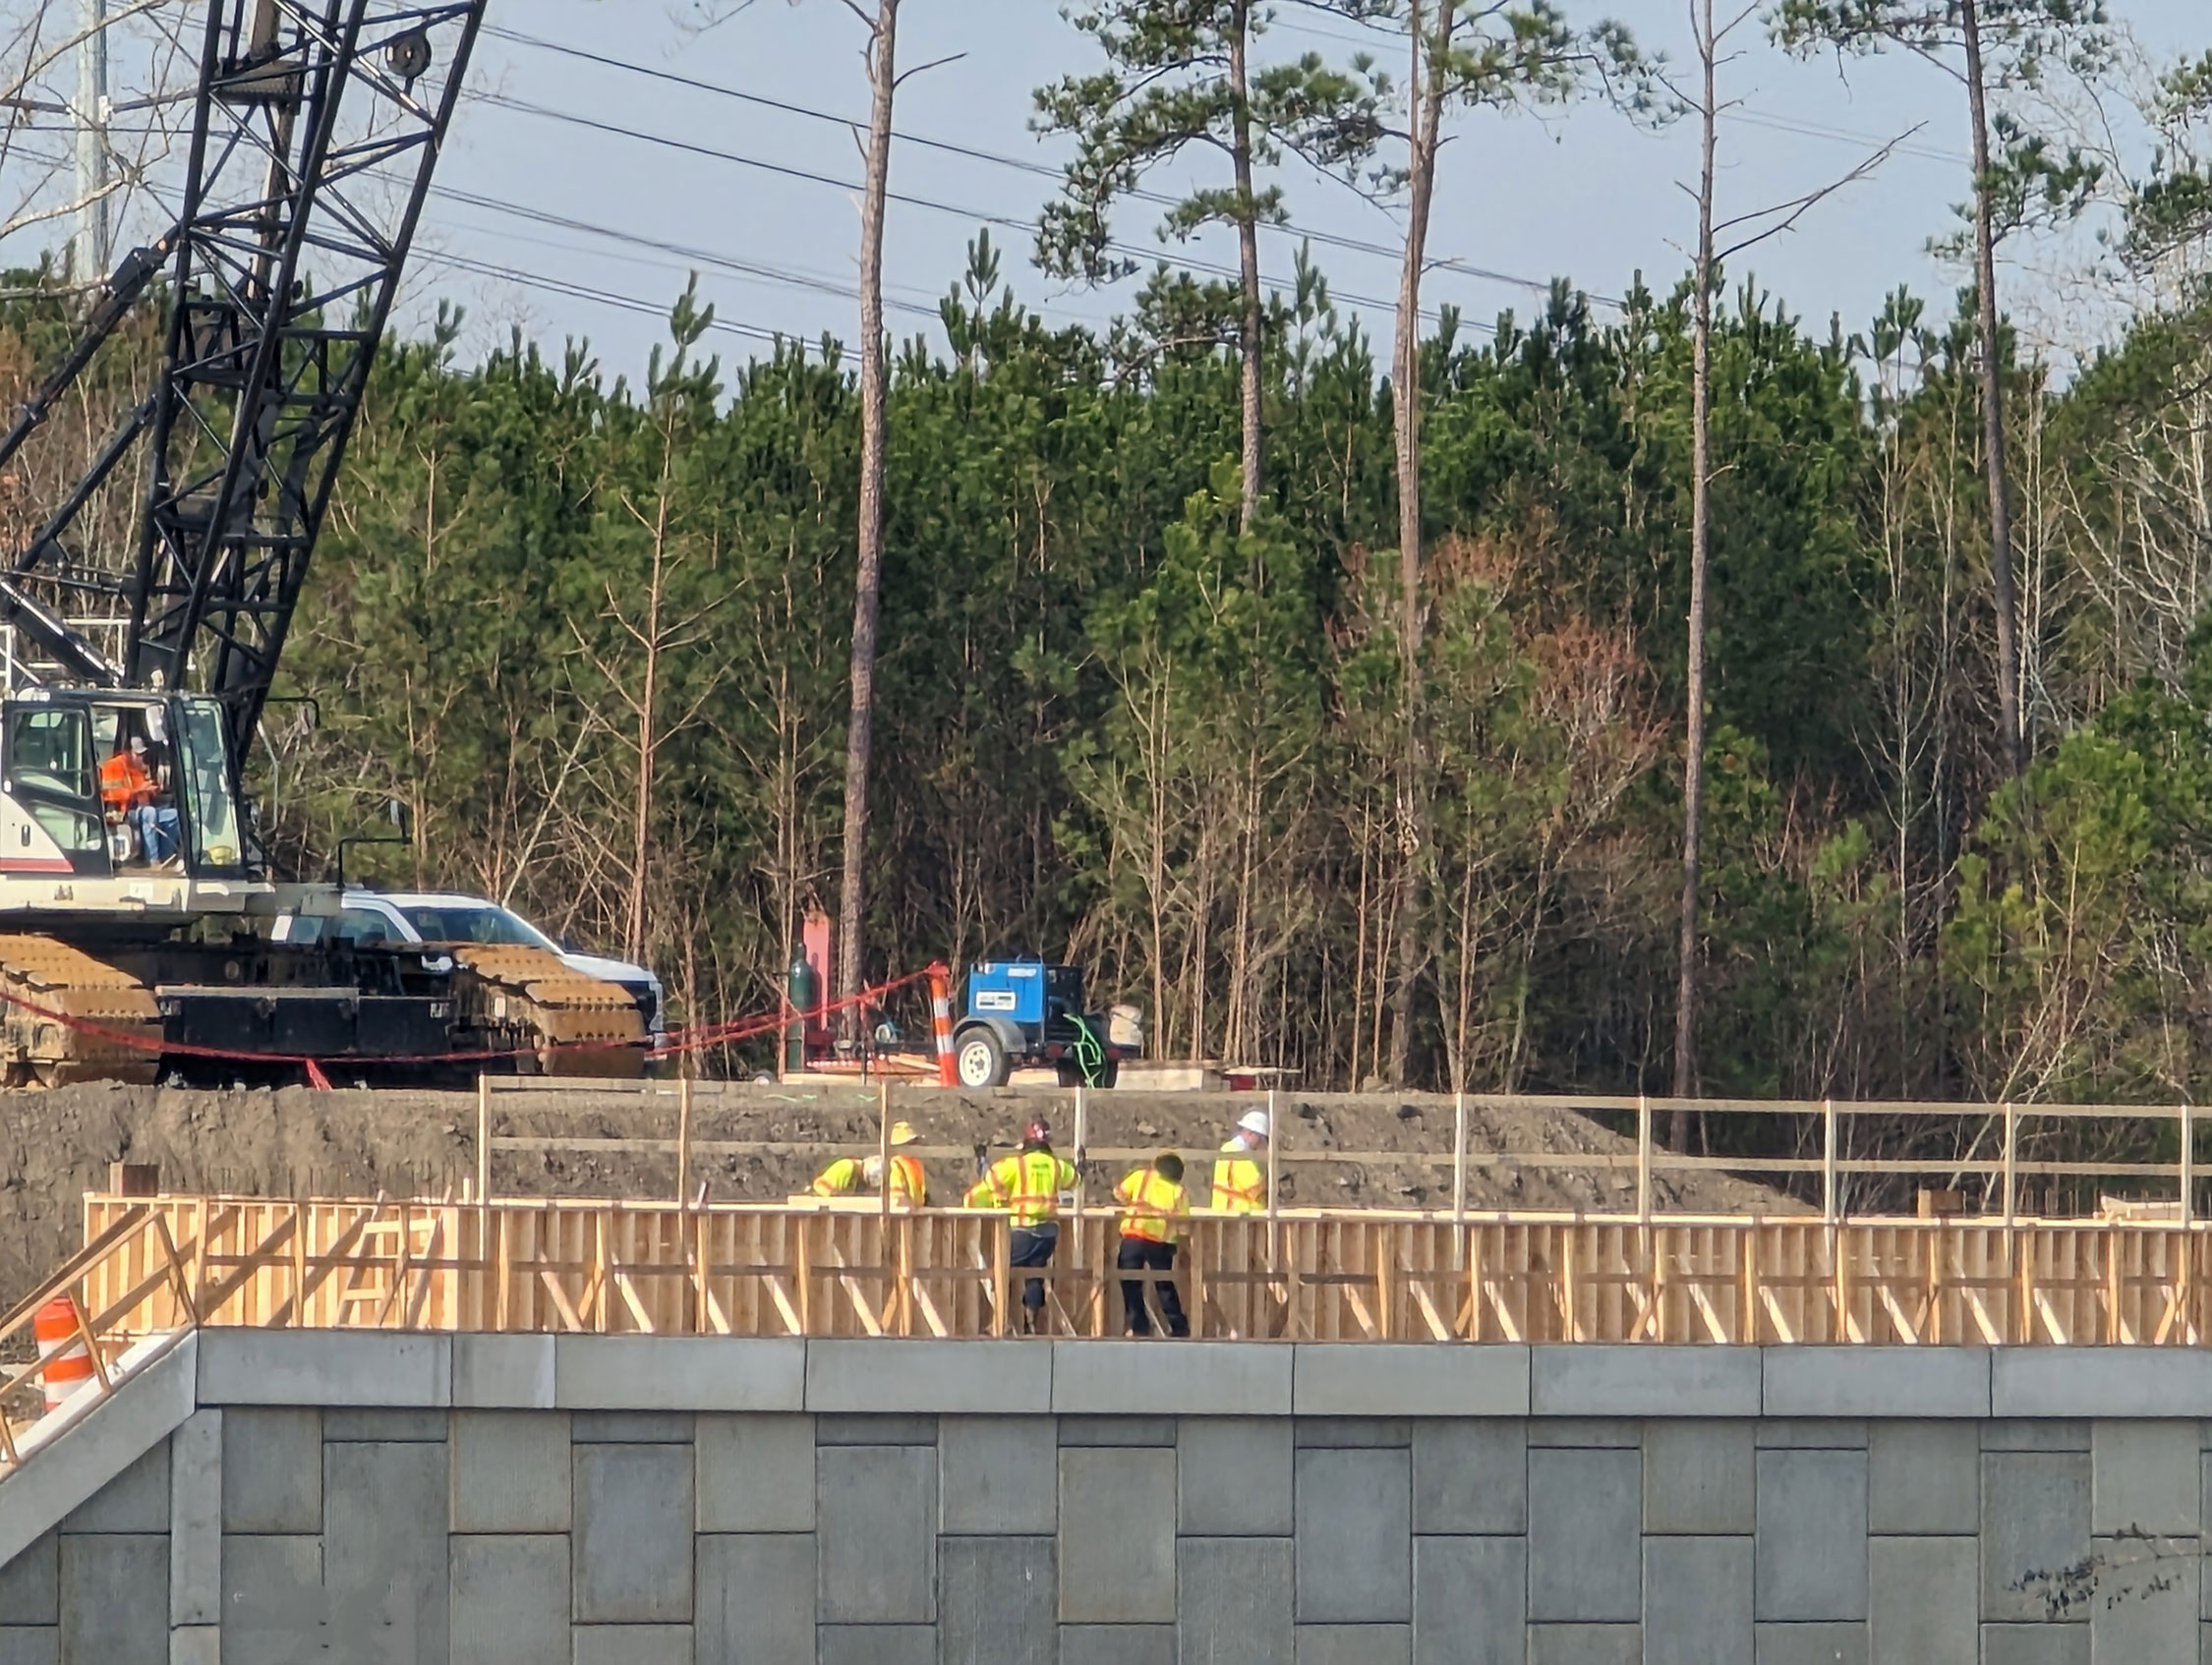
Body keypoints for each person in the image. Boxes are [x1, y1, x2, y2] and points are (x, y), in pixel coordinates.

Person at [963, 1118, 1077, 1332]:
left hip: (1023, 1228)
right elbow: (1075, 1180)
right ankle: (1031, 1319)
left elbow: (990, 1182)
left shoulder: (1016, 1165)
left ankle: (999, 1322)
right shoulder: (1057, 1165)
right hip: (1048, 1234)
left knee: (1001, 1270)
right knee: (1035, 1273)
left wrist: (982, 1164)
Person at [1114, 1152, 1190, 1338]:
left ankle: (1139, 1326)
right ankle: (1179, 1327)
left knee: (1130, 1281)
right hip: (1159, 1241)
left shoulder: (1142, 1176)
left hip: (1133, 1235)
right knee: (1164, 1285)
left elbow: (1118, 1193)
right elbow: (1184, 1226)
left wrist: (1132, 1203)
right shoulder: (1178, 1191)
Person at [811, 1120, 926, 1206]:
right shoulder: (846, 1167)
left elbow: (899, 1198)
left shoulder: (905, 1165)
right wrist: (838, 1199)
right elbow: (820, 1189)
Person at [1211, 1108, 1270, 1214]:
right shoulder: (1239, 1154)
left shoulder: (1227, 1148)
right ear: (1251, 1133)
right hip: (1237, 1213)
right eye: (1261, 1138)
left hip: (1224, 1211)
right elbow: (1254, 1188)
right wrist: (1268, 1181)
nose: (1260, 1143)